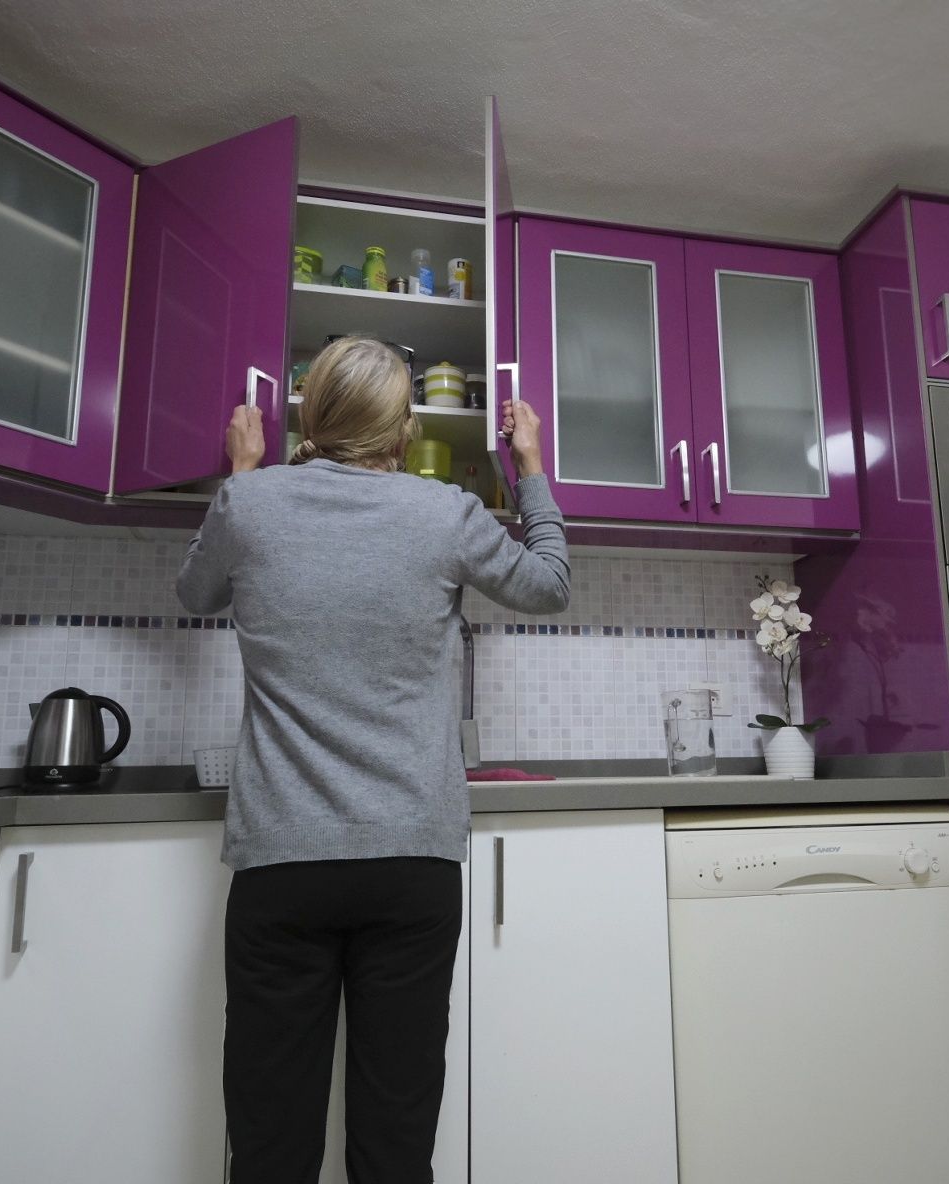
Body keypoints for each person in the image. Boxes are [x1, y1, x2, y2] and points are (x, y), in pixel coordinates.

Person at [175, 335, 569, 1183]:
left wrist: (242, 475)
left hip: (283, 861)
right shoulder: (446, 513)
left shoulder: (251, 504)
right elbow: (549, 584)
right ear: (401, 433)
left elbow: (194, 592)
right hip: (410, 864)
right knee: (395, 1143)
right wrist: (529, 463)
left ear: (307, 420)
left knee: (270, 1143)